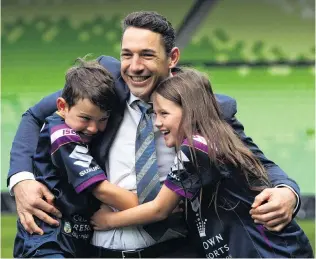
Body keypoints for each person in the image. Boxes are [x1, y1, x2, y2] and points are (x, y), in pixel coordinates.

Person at [8, 11, 301, 258]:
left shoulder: (202, 106)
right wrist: (21, 180)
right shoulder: (103, 83)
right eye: (127, 55)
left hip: (175, 248)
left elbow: (255, 162)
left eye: (147, 55)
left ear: (172, 57)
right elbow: (35, 116)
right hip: (95, 246)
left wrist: (288, 193)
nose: (134, 67)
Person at [90, 68, 314, 258]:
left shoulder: (197, 147)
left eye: (164, 114)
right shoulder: (210, 142)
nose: (157, 123)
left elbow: (160, 209)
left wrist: (109, 220)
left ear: (189, 111)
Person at [13, 58, 139, 258]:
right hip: (48, 239)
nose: (93, 128)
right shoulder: (64, 136)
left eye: (102, 120)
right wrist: (158, 207)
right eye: (85, 118)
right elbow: (101, 190)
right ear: (62, 107)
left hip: (73, 241)